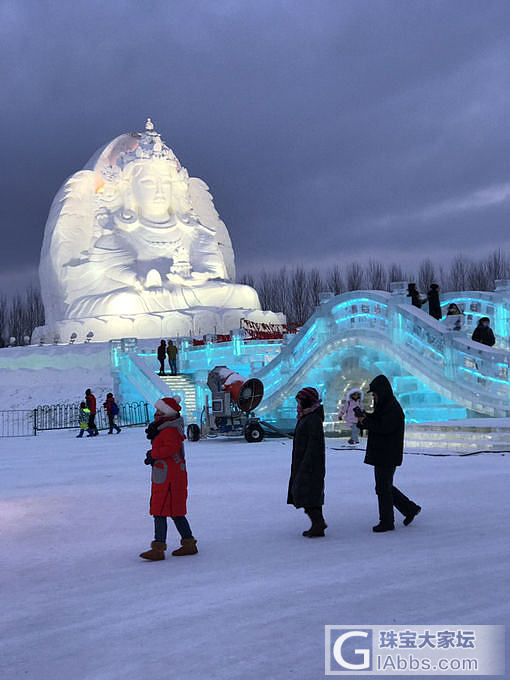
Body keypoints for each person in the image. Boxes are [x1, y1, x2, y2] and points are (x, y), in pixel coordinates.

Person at [357, 375, 421, 533]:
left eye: (375, 393)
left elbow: (384, 427)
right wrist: (366, 416)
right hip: (383, 453)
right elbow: (379, 421)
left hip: (387, 454)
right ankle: (409, 508)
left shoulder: (392, 408)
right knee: (384, 486)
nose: (374, 396)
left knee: (383, 487)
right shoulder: (385, 406)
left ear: (382, 392)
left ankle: (387, 521)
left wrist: (366, 421)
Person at [139, 396, 198, 561]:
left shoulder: (170, 430)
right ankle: (188, 543)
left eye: (159, 410)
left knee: (161, 512)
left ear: (167, 413)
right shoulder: (166, 427)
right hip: (166, 476)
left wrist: (153, 454)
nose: (156, 413)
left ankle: (158, 548)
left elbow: (171, 448)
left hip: (169, 479)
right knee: (174, 512)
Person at [287, 387, 327, 538]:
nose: (298, 406)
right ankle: (318, 523)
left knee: (305, 493)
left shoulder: (312, 419)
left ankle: (318, 523)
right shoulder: (308, 416)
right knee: (310, 495)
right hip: (305, 463)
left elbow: (313, 445)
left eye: (299, 402)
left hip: (309, 465)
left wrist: (306, 465)